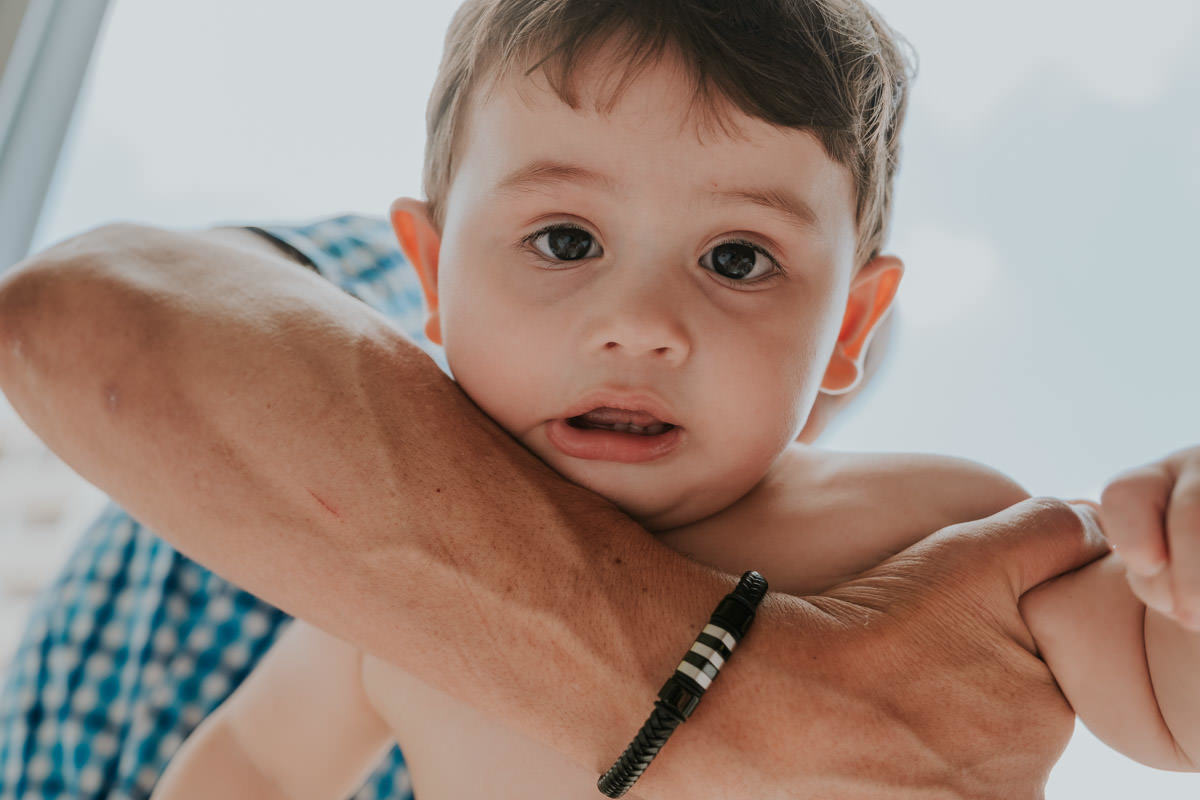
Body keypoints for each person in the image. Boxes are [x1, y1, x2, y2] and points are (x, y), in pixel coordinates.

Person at [0, 1, 1192, 798]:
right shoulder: (390, 593)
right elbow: (257, 764)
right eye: (566, 239)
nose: (642, 322)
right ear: (429, 278)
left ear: (850, 326)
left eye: (736, 258)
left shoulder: (938, 526)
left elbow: (1161, 690)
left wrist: (1181, 562)